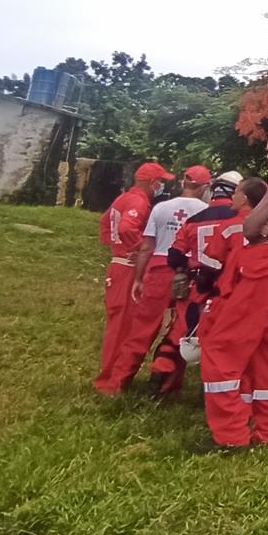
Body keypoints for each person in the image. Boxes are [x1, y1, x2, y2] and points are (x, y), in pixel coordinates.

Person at [196, 133, 268, 450]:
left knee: (220, 349)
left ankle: (230, 435)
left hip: (262, 274)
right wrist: (260, 223)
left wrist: (259, 224)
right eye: (267, 151)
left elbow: (248, 226)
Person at [115, 165, 210, 390]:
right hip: (189, 274)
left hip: (158, 270)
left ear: (182, 184)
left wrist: (139, 278)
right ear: (205, 187)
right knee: (181, 329)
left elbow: (147, 247)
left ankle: (118, 382)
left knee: (142, 329)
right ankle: (167, 384)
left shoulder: (161, 208)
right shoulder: (206, 211)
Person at [148, 171, 243, 396]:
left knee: (177, 336)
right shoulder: (240, 219)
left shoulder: (193, 220)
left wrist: (185, 271)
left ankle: (160, 384)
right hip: (227, 290)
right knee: (226, 341)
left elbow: (174, 255)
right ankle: (222, 392)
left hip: (194, 287)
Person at [94, 160, 171, 395]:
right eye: (161, 182)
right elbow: (127, 227)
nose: (162, 186)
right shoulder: (138, 201)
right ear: (151, 182)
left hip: (118, 266)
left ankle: (111, 378)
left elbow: (105, 223)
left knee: (119, 326)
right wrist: (139, 249)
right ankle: (110, 383)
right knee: (123, 328)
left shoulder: (124, 198)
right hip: (127, 270)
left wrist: (115, 246)